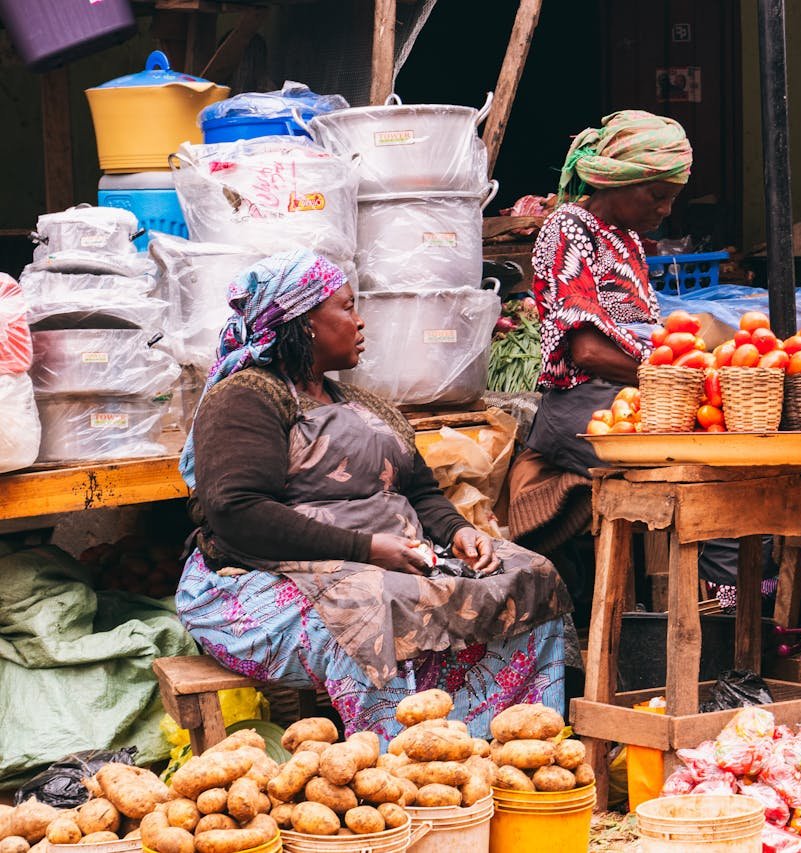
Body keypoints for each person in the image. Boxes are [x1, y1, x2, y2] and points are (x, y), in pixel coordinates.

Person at [175, 250, 573, 744]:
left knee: (527, 575)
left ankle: (511, 752)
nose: (359, 321)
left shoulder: (365, 404)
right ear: (304, 324)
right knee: (375, 606)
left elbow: (420, 490)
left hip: (385, 559)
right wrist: (368, 549)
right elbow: (238, 513)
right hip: (255, 579)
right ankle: (397, 767)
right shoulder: (246, 396)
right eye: (345, 307)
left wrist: (458, 530)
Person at [505, 111, 692, 605]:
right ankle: (713, 609)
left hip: (630, 399)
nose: (666, 209)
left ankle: (734, 611)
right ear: (616, 182)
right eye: (656, 195)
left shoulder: (627, 239)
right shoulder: (568, 228)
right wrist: (671, 377)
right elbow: (586, 350)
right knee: (693, 483)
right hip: (582, 406)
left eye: (671, 196)